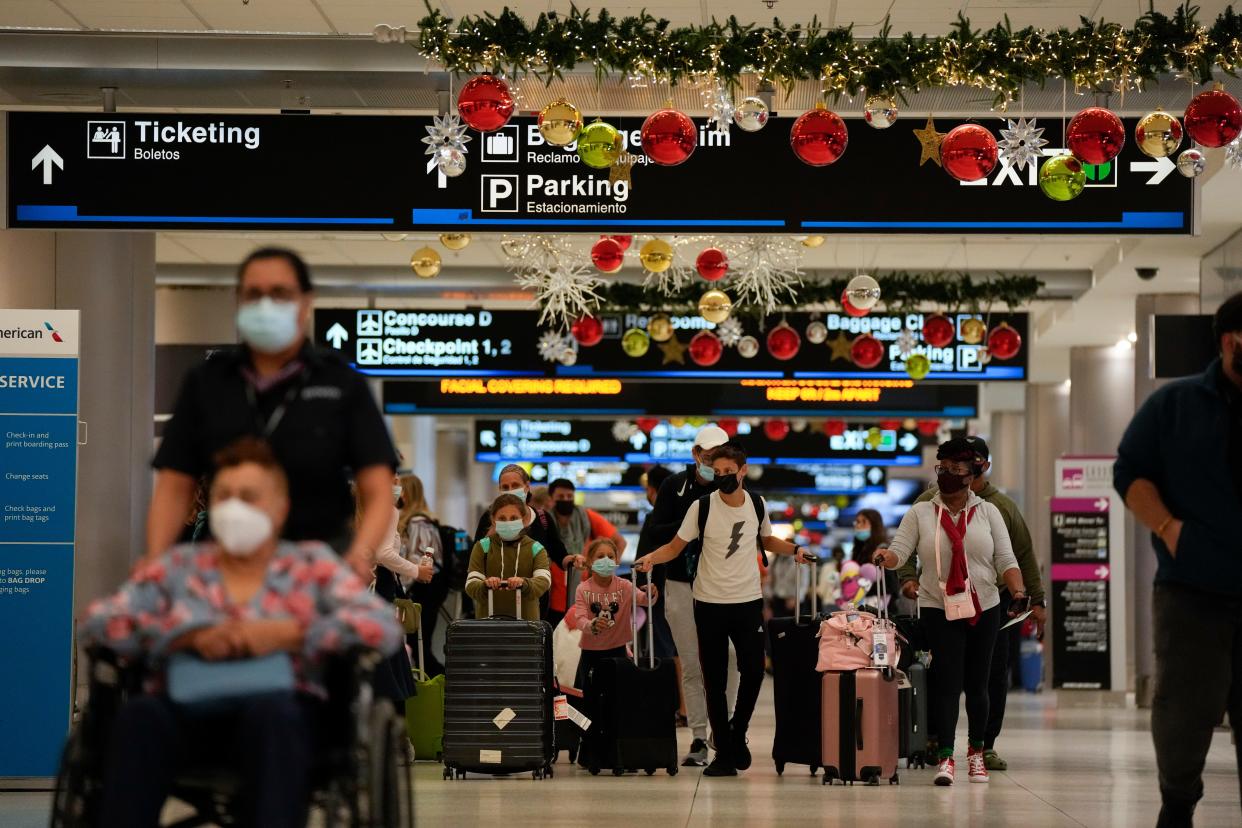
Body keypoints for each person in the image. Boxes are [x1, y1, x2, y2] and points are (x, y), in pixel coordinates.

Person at [80, 437, 402, 828]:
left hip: (281, 714)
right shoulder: (179, 567)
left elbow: (381, 625)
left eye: (249, 496)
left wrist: (289, 634)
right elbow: (100, 621)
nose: (235, 507)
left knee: (274, 717)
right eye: (225, 495)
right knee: (138, 718)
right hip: (186, 712)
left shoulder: (310, 567)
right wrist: (188, 636)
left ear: (280, 508)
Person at [147, 247, 398, 580]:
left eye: (280, 293)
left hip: (319, 565)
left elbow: (378, 487)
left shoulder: (341, 381)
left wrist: (357, 556)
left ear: (306, 301)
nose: (266, 304)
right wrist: (157, 561)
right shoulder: (207, 381)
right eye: (254, 294)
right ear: (238, 300)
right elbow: (174, 484)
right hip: (222, 567)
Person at [1114, 293, 1242, 828]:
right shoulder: (1176, 404)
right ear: (1227, 340)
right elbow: (1131, 473)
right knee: (1184, 712)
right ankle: (1178, 803)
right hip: (1192, 588)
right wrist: (1169, 529)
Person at [636, 442, 815, 777]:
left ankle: (735, 731)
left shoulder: (757, 504)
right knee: (714, 679)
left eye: (728, 473)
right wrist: (650, 557)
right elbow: (676, 546)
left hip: (747, 600)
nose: (722, 478)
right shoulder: (701, 508)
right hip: (708, 602)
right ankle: (724, 754)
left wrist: (796, 549)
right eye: (716, 473)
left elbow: (767, 541)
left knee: (754, 669)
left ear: (743, 471)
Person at [874, 438, 1026, 787]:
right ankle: (945, 756)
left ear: (972, 474)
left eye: (956, 470)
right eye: (942, 469)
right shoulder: (921, 512)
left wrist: (1018, 591)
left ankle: (976, 754)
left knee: (978, 683)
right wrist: (887, 557)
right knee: (947, 681)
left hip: (984, 604)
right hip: (937, 604)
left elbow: (1006, 559)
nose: (947, 475)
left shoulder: (989, 512)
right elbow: (901, 550)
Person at [642, 424, 735, 767]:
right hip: (681, 582)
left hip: (725, 587)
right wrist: (692, 522)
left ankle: (727, 731)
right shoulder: (674, 486)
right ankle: (698, 735)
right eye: (710, 458)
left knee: (730, 658)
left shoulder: (733, 487)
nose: (716, 464)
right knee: (693, 664)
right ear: (696, 455)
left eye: (722, 458)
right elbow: (656, 530)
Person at [473, 465, 571, 623]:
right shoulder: (488, 518)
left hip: (534, 602)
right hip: (493, 603)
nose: (510, 490)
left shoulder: (542, 520)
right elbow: (476, 563)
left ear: (527, 486)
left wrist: (573, 560)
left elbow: (559, 554)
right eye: (505, 487)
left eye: (515, 486)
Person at [573, 537, 658, 690]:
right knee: (589, 697)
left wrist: (650, 593)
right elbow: (579, 619)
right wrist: (591, 625)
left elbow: (644, 600)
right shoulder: (582, 588)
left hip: (618, 651)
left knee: (618, 696)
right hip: (590, 653)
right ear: (590, 561)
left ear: (617, 560)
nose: (606, 560)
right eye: (600, 556)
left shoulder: (625, 586)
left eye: (610, 556)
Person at [464, 493, 552, 621]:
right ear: (493, 520)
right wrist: (485, 584)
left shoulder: (536, 548)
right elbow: (471, 585)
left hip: (527, 626)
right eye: (502, 518)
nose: (508, 522)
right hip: (488, 626)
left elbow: (543, 582)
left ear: (523, 519)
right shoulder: (482, 546)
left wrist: (524, 583)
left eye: (513, 518)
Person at [399, 473, 446, 678]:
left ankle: (441, 685)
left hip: (422, 591)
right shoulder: (417, 521)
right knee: (419, 646)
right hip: (424, 590)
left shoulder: (418, 522)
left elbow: (422, 560)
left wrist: (402, 587)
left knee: (419, 644)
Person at [852, 509, 900, 610]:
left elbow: (891, 586)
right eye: (857, 521)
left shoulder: (883, 551)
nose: (858, 525)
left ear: (874, 526)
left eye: (863, 522)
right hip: (864, 608)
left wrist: (861, 586)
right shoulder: (859, 551)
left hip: (883, 609)